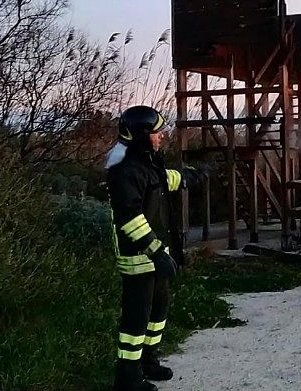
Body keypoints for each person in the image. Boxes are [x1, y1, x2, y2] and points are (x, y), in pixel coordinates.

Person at [105, 105, 194, 391]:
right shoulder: (124, 171)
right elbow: (129, 218)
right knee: (136, 316)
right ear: (142, 135)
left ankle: (148, 361)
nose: (161, 137)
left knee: (158, 309)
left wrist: (192, 176)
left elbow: (162, 180)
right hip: (138, 257)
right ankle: (127, 376)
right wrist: (155, 252)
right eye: (156, 132)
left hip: (156, 254)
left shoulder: (145, 164)